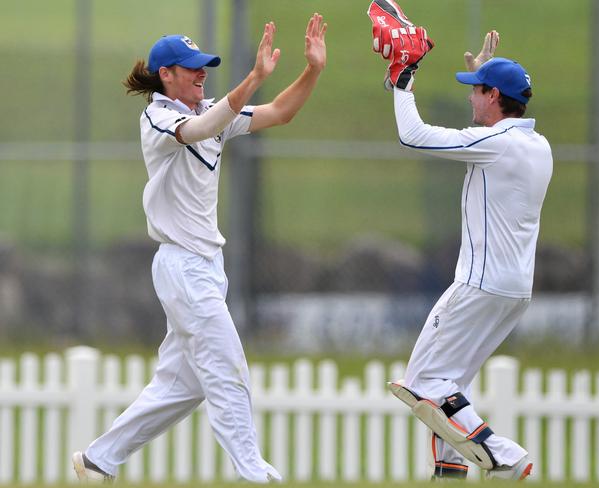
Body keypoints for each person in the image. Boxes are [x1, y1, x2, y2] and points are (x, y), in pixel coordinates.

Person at [72, 14, 327, 484]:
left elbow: (279, 113)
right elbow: (197, 130)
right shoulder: (159, 115)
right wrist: (252, 79)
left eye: (204, 66)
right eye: (191, 67)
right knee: (227, 365)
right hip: (181, 266)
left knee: (182, 385)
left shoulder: (209, 111)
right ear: (165, 74)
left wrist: (312, 70)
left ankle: (98, 460)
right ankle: (254, 473)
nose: (201, 73)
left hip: (208, 266)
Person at [370, 8, 553, 481]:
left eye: (477, 89)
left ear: (494, 96)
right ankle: (450, 473)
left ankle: (503, 454)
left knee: (422, 384)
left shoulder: (497, 145)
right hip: (514, 290)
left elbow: (413, 136)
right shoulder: (537, 145)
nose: (470, 96)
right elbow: (489, 130)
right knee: (451, 385)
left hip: (478, 283)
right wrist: (485, 71)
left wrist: (402, 79)